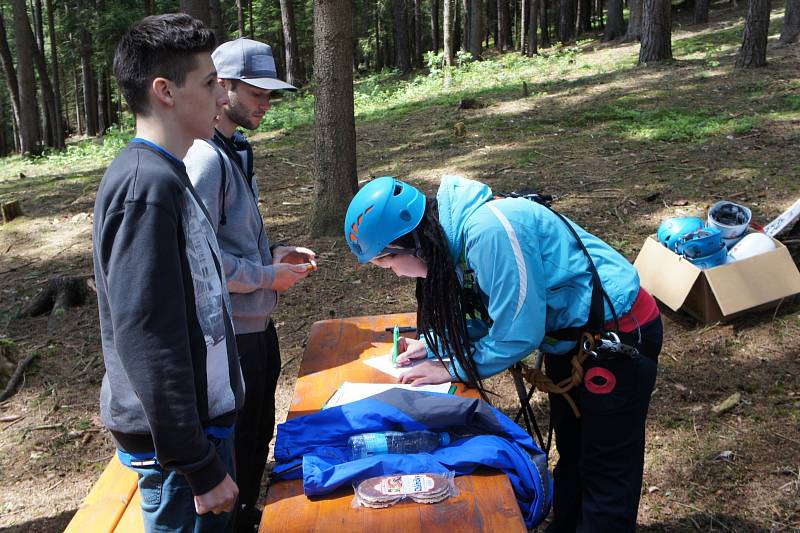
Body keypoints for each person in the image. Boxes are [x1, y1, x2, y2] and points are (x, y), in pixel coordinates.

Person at [343, 175, 663, 532]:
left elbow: (519, 334)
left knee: (606, 467)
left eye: (389, 264)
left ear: (413, 243)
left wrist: (453, 370)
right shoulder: (456, 241)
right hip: (572, 340)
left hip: (615, 338)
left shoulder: (489, 232)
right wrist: (435, 344)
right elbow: (486, 311)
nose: (397, 275)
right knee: (573, 453)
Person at [92, 14, 243, 532]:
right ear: (165, 91)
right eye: (209, 83)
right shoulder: (145, 187)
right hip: (178, 459)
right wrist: (199, 467)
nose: (224, 98)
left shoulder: (168, 175)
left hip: (197, 440)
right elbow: (147, 337)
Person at [184, 38, 315, 533]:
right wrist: (266, 275)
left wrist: (275, 252)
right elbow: (199, 259)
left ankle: (242, 519)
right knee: (235, 446)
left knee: (258, 435)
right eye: (257, 92)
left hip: (257, 327)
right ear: (222, 85)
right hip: (229, 336)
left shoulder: (236, 150)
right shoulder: (205, 159)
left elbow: (230, 234)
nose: (265, 103)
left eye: (270, 94)